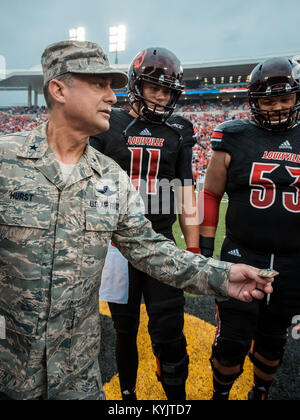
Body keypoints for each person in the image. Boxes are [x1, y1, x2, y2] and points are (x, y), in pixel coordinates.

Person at [0, 40, 273, 401]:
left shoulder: (111, 177)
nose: (113, 97)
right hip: (10, 374)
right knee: (126, 328)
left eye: (113, 86)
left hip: (77, 382)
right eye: (99, 85)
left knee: (166, 333)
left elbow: (149, 247)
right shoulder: (6, 162)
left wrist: (218, 273)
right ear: (58, 89)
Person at [90, 47, 199, 401]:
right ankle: (128, 397)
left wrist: (194, 248)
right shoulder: (108, 123)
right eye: (155, 88)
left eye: (168, 90)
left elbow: (185, 192)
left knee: (169, 328)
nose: (162, 96)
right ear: (137, 86)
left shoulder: (180, 129)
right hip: (117, 244)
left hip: (162, 241)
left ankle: (176, 399)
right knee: (125, 329)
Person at [199, 57, 300, 401]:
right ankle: (221, 394)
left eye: (285, 99)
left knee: (274, 340)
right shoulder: (234, 136)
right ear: (255, 103)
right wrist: (204, 251)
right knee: (231, 341)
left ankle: (260, 393)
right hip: (242, 254)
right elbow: (211, 193)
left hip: (292, 261)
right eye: (269, 101)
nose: (277, 107)